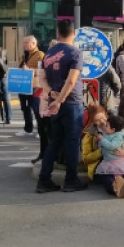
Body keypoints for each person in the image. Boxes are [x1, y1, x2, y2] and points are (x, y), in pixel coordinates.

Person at [36, 20, 87, 192]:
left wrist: (51, 94)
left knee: (55, 141)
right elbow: (72, 80)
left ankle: (44, 180)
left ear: (58, 34)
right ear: (74, 34)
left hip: (54, 103)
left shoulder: (49, 53)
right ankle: (71, 180)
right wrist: (60, 100)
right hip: (71, 102)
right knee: (72, 141)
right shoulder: (75, 53)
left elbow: (42, 78)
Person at [82, 105, 124, 198]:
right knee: (109, 177)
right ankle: (117, 186)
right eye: (97, 120)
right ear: (92, 122)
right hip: (101, 164)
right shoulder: (89, 135)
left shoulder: (117, 127)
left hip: (119, 160)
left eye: (102, 118)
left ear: (106, 115)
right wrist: (101, 152)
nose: (101, 121)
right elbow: (85, 159)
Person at [17, 36, 45, 137]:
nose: (24, 45)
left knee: (36, 109)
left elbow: (43, 71)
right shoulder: (24, 55)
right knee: (25, 108)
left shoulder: (40, 55)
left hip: (34, 86)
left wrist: (30, 70)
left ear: (33, 43)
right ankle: (28, 128)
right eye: (24, 43)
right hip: (23, 86)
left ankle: (41, 130)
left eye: (26, 43)